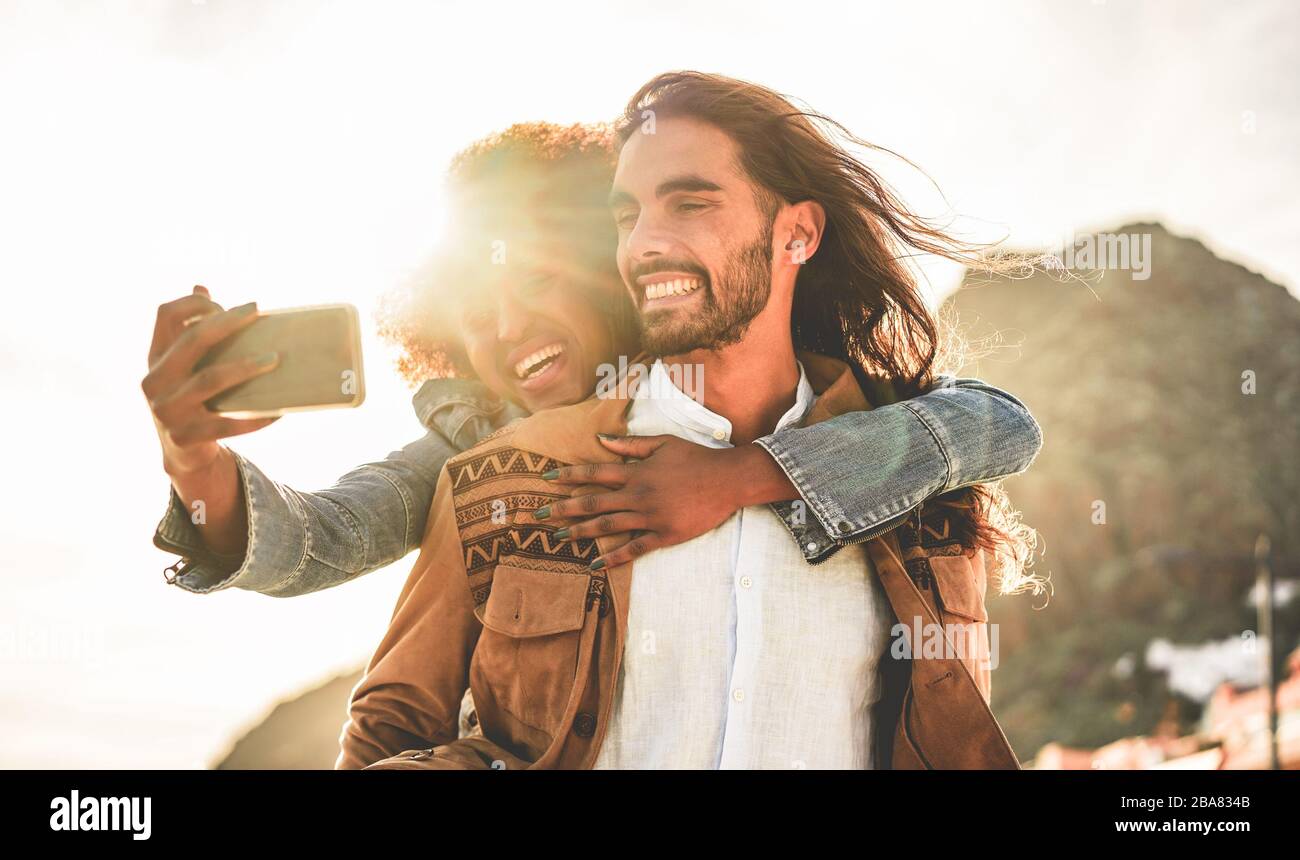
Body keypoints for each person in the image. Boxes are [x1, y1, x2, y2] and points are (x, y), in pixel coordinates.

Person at [337, 75, 1041, 770]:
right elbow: (392, 725)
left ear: (796, 233)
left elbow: (1007, 429)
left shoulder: (917, 485)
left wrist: (739, 478)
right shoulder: (505, 474)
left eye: (690, 203)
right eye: (627, 216)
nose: (644, 243)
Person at [147, 122, 1040, 605]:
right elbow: (318, 542)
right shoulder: (482, 445)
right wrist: (195, 462)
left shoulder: (795, 388)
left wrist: (739, 477)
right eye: (475, 320)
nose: (507, 328)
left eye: (537, 281)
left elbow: (997, 424)